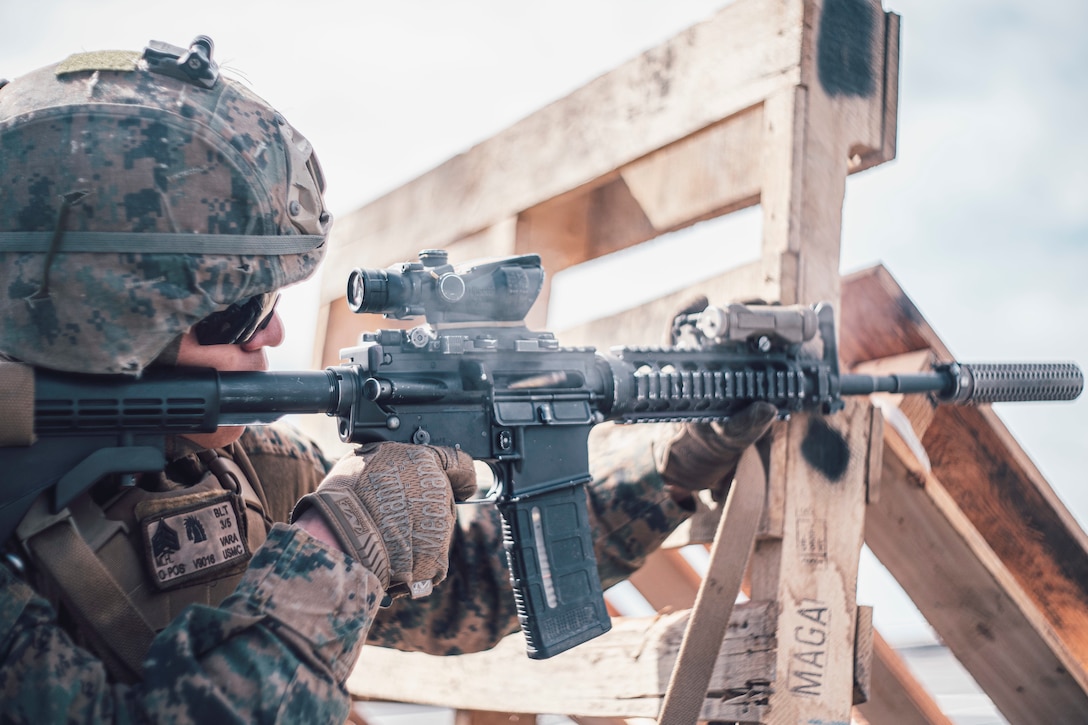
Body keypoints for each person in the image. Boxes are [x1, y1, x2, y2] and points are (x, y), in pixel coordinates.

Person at [0, 37, 777, 723]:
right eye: (237, 309)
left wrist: (677, 457)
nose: (271, 331)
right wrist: (337, 540)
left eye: (272, 303)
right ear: (102, 324)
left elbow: (466, 583)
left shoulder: (239, 471)